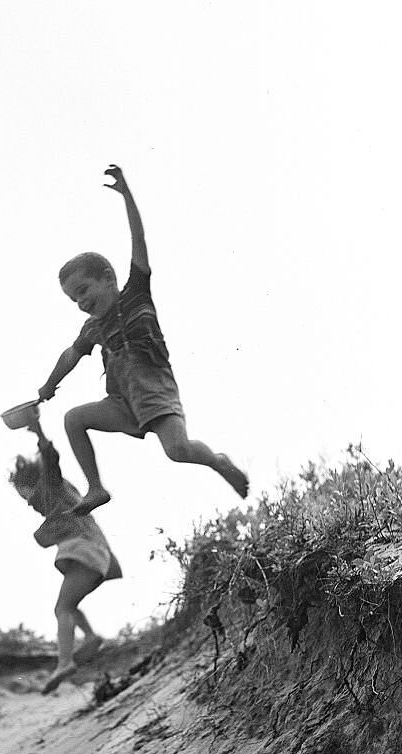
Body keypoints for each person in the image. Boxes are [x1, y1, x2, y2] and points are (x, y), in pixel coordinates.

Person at [37, 164, 249, 516]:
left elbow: (139, 239)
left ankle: (218, 461)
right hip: (122, 401)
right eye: (74, 299)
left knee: (177, 450)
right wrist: (47, 386)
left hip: (154, 389)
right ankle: (96, 487)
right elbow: (70, 356)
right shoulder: (93, 328)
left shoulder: (135, 293)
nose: (81, 302)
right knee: (73, 419)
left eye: (83, 290)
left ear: (108, 278)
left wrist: (126, 195)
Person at [9, 418, 121, 694]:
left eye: (23, 494)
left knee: (62, 609)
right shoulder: (59, 499)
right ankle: (91, 637)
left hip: (86, 552)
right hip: (96, 556)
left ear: (32, 484)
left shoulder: (51, 487)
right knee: (70, 605)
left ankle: (64, 662)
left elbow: (51, 459)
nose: (25, 502)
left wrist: (38, 431)